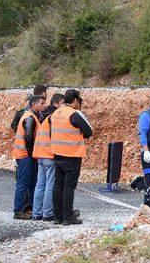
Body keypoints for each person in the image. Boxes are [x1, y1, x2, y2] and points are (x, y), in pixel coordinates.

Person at [50, 89, 93, 225]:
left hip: (57, 153)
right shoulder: (73, 114)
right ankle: (68, 217)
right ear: (74, 100)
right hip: (72, 154)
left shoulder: (56, 113)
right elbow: (88, 131)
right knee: (69, 186)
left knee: (58, 185)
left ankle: (57, 216)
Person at [30, 93, 66, 221]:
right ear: (56, 104)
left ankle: (36, 213)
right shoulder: (52, 118)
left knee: (40, 185)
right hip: (49, 156)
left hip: (39, 154)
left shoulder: (43, 118)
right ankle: (47, 213)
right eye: (62, 103)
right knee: (50, 184)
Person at [12, 95, 46, 219]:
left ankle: (33, 208)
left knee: (32, 183)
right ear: (33, 104)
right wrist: (33, 154)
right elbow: (29, 137)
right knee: (23, 184)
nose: (44, 105)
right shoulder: (30, 118)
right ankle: (18, 211)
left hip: (26, 155)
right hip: (26, 156)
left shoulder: (31, 117)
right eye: (42, 103)